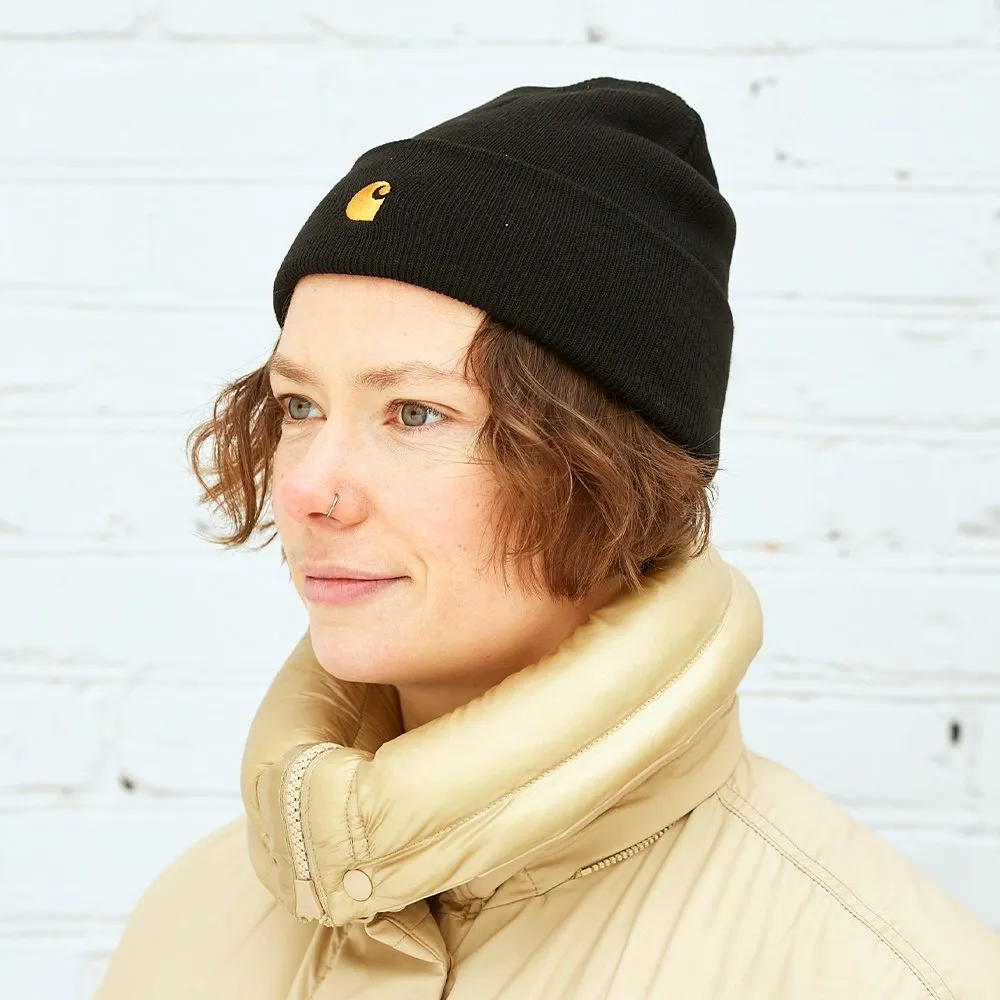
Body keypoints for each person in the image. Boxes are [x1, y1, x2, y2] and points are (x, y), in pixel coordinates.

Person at [92, 77, 1000, 999]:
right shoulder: (189, 920)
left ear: (613, 464)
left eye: (415, 412)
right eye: (299, 406)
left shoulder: (880, 974)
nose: (304, 489)